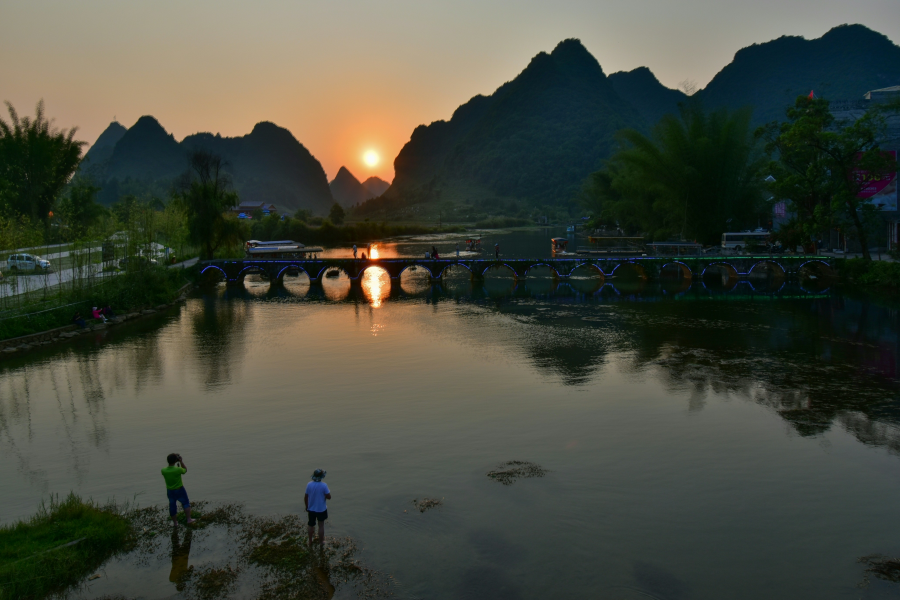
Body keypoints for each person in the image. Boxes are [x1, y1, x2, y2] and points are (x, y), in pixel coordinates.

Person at [162, 453, 196, 526]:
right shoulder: (178, 469)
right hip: (179, 489)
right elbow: (185, 470)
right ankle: (189, 519)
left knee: (172, 505)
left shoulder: (163, 470)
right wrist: (181, 461)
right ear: (175, 461)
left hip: (170, 491)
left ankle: (175, 523)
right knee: (186, 503)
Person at [305, 468, 331, 545]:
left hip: (311, 509)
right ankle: (321, 542)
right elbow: (329, 497)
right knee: (321, 525)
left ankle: (310, 541)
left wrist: (307, 506)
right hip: (321, 509)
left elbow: (306, 496)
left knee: (311, 525)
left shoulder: (309, 484)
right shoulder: (324, 485)